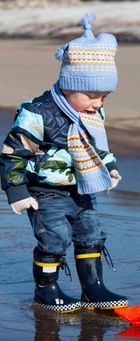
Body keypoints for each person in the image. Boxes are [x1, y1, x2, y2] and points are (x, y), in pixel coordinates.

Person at [0, 13, 128, 313]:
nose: (97, 104)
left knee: (91, 233)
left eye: (104, 97)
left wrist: (109, 166)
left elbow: (98, 146)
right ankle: (47, 289)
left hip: (81, 187)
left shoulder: (91, 114)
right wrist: (17, 191)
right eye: (92, 95)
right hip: (45, 190)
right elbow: (12, 153)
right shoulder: (37, 113)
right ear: (69, 86)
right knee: (54, 237)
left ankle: (93, 287)